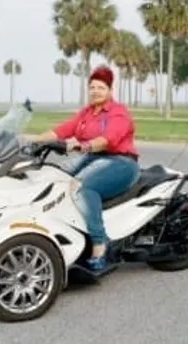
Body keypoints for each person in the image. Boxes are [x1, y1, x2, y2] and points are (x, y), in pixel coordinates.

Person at [26, 65, 140, 270]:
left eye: (101, 87)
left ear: (110, 91)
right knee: (55, 177)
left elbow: (109, 139)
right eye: (92, 87)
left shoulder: (118, 113)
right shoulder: (87, 113)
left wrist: (83, 145)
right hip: (92, 157)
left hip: (121, 162)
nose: (95, 91)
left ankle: (100, 243)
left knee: (82, 187)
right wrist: (33, 142)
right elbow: (63, 130)